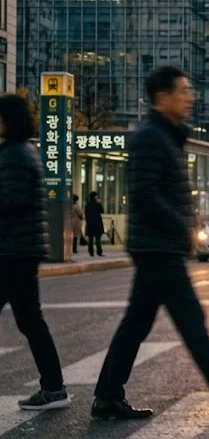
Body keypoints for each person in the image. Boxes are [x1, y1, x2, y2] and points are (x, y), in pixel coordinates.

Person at [92, 67, 209, 420]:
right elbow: (143, 192)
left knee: (136, 323)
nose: (191, 97)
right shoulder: (150, 138)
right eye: (184, 91)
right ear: (163, 97)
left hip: (158, 244)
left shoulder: (166, 137)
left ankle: (107, 396)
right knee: (190, 317)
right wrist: (181, 228)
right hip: (157, 245)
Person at [0, 94, 70, 411]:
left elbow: (11, 202)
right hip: (19, 250)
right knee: (31, 321)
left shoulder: (13, 154)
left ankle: (54, 388)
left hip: (13, 250)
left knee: (32, 321)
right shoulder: (22, 151)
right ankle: (53, 388)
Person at [84, 191, 104, 257]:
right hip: (97, 224)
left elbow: (86, 213)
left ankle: (91, 252)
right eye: (96, 196)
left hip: (90, 224)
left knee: (90, 239)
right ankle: (99, 252)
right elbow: (102, 211)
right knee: (98, 239)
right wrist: (100, 203)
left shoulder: (87, 204)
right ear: (95, 197)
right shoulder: (97, 204)